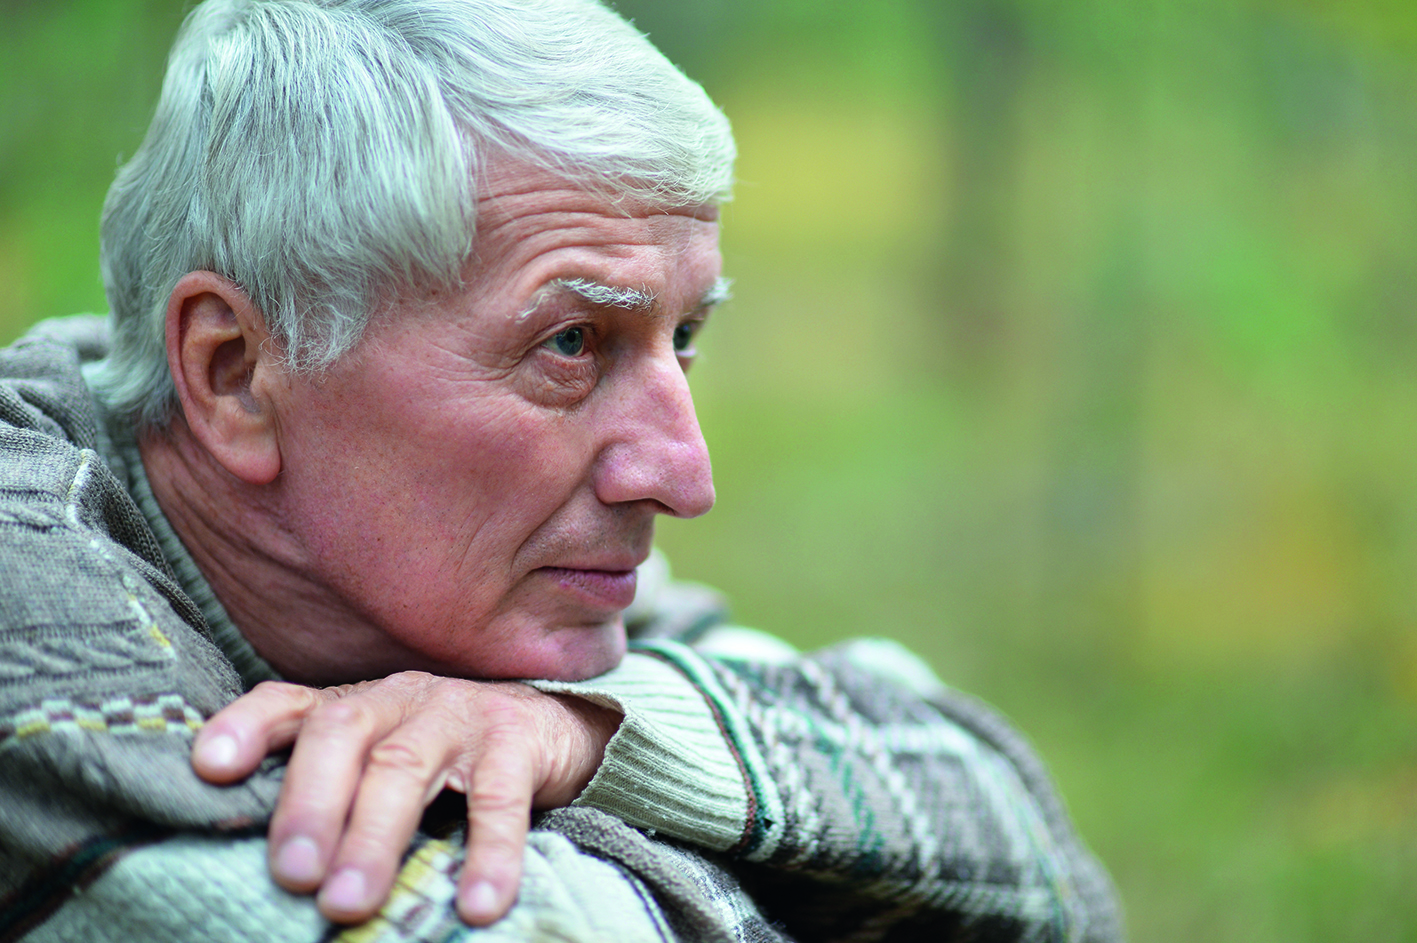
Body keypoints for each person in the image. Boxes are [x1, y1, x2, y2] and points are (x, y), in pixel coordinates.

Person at [0, 0, 1124, 940]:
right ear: (236, 373)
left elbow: (1029, 850)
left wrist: (585, 734)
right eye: (573, 342)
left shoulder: (477, 580)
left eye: (685, 335)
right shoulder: (23, 579)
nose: (680, 476)